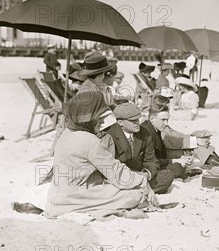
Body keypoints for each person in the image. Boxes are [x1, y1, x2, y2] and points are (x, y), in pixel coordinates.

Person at [44, 91, 159, 220]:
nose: (102, 122)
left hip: (57, 194)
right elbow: (118, 174)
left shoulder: (67, 133)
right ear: (88, 118)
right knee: (136, 195)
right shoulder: (89, 140)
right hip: (74, 197)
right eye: (99, 118)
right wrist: (143, 182)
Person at [143, 99, 219, 174]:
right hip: (163, 158)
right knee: (196, 145)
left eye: (167, 120)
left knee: (198, 141)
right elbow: (171, 141)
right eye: (163, 120)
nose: (166, 123)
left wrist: (194, 139)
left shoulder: (156, 124)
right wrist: (194, 141)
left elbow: (177, 136)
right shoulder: (148, 130)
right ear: (152, 118)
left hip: (166, 152)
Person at [106, 103, 175, 194]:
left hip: (140, 176)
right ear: (120, 122)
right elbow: (108, 166)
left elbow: (151, 160)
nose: (137, 123)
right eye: (133, 121)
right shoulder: (108, 135)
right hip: (120, 178)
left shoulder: (145, 133)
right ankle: (138, 192)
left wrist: (146, 174)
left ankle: (132, 193)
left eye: (138, 119)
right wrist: (130, 175)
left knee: (167, 176)